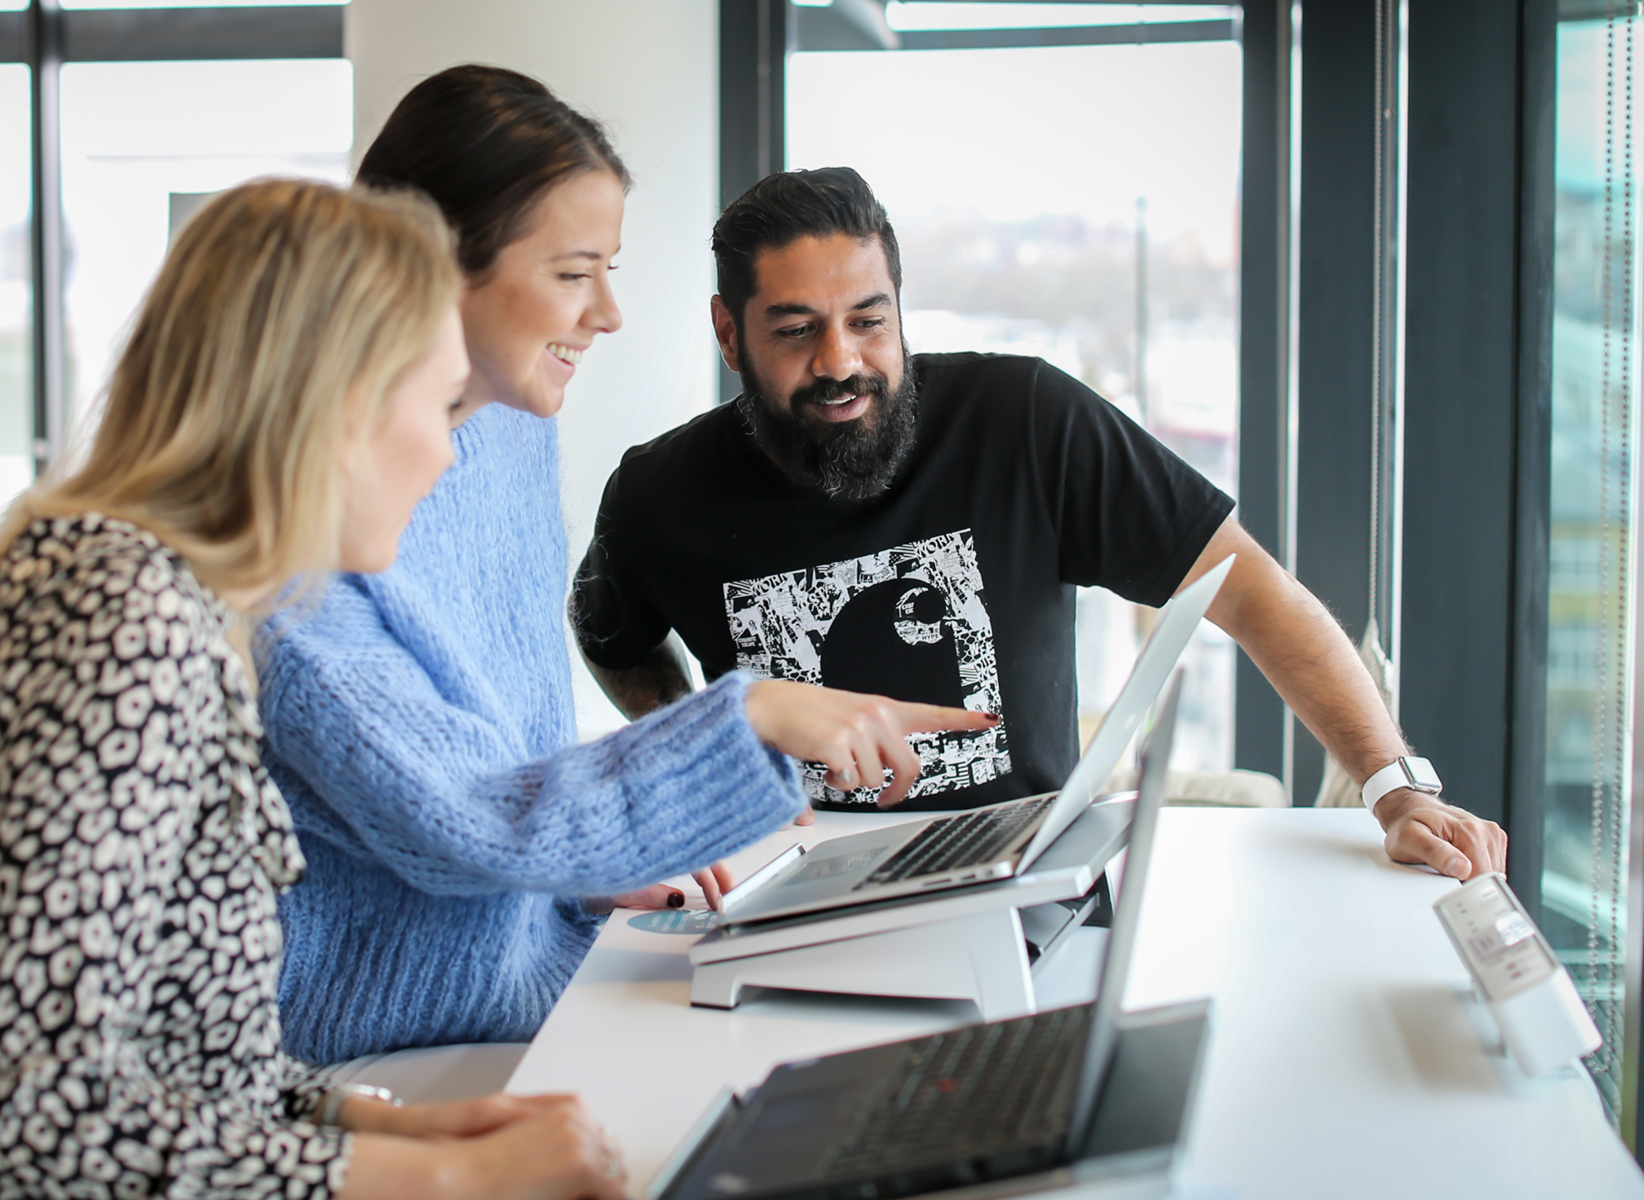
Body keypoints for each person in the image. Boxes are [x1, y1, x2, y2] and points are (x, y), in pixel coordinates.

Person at [0, 178, 630, 1200]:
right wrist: (443, 1184)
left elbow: (174, 1064)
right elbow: (31, 1113)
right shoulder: (121, 622)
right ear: (333, 405)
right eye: (439, 406)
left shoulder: (153, 597)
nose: (448, 451)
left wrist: (413, 1132)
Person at [253, 66, 992, 1066]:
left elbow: (498, 757)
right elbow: (462, 817)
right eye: (573, 272)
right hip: (389, 1041)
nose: (608, 311)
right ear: (425, 263)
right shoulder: (297, 536)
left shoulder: (504, 429)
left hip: (543, 967)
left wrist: (579, 875)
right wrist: (754, 710)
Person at [571, 166, 1508, 880]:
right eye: (793, 329)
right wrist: (693, 760)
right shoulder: (659, 492)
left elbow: (1251, 592)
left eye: (869, 319)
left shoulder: (1024, 418)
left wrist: (1392, 786)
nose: (840, 361)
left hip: (1024, 879)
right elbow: (610, 634)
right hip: (785, 878)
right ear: (728, 333)